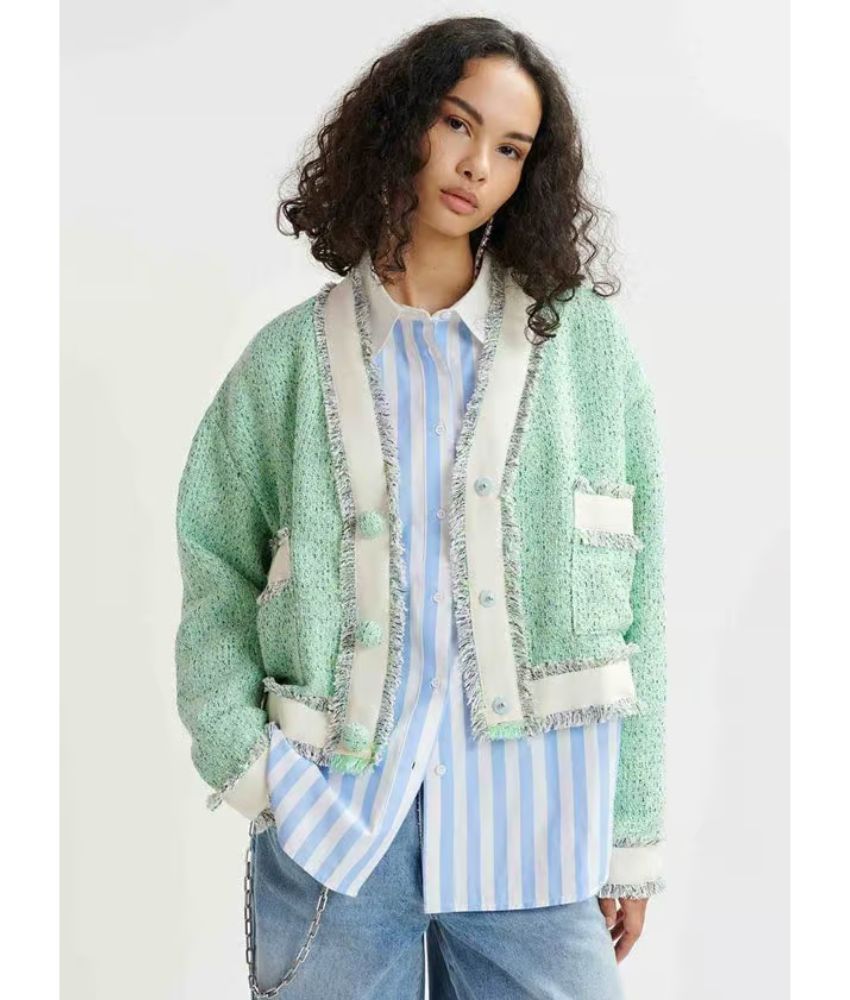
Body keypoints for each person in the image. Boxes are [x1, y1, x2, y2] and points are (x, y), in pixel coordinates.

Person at [174, 15, 667, 999]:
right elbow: (214, 568)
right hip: (334, 831)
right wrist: (255, 770)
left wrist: (629, 833)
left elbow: (640, 593)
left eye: (511, 149)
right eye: (457, 123)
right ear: (402, 124)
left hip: (538, 828)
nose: (476, 164)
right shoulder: (286, 364)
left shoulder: (583, 352)